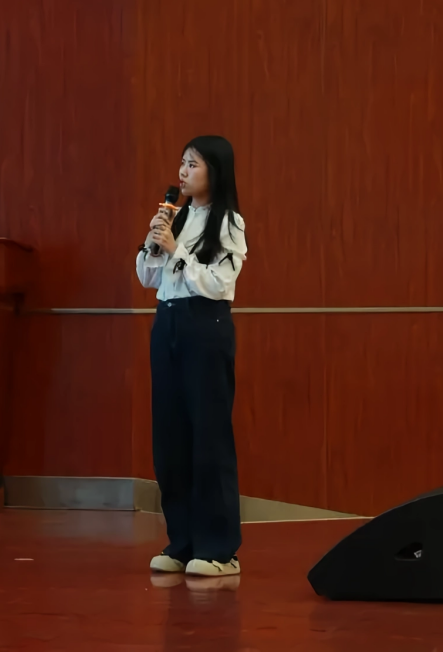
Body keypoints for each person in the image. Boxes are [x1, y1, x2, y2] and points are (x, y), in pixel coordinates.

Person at [136, 135, 247, 578]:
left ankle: (219, 549)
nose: (183, 172)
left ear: (215, 172)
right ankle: (181, 543)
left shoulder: (229, 222)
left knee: (208, 437)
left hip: (205, 326)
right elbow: (148, 279)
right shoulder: (176, 218)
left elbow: (219, 284)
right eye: (182, 163)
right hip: (167, 325)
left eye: (193, 164)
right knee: (170, 437)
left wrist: (176, 250)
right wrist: (153, 243)